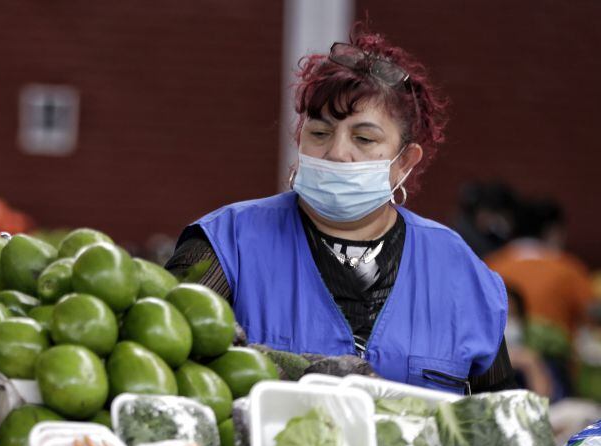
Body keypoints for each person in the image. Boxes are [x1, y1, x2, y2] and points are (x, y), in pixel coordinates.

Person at [165, 32, 513, 393]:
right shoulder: (226, 245)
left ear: (404, 162)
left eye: (363, 139)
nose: (336, 152)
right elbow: (164, 356)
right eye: (320, 132)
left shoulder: (461, 272)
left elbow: (502, 418)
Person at [486, 198, 593, 339]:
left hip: (498, 355)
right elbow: (592, 318)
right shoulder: (569, 270)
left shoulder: (489, 265)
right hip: (555, 356)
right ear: (553, 231)